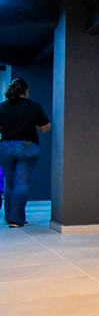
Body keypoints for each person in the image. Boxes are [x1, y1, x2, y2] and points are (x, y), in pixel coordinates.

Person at [0, 79, 50, 227]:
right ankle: (16, 219)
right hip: (27, 147)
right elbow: (45, 128)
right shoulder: (34, 107)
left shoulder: (2, 106)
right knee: (21, 184)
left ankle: (9, 216)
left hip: (5, 147)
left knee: (9, 183)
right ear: (26, 91)